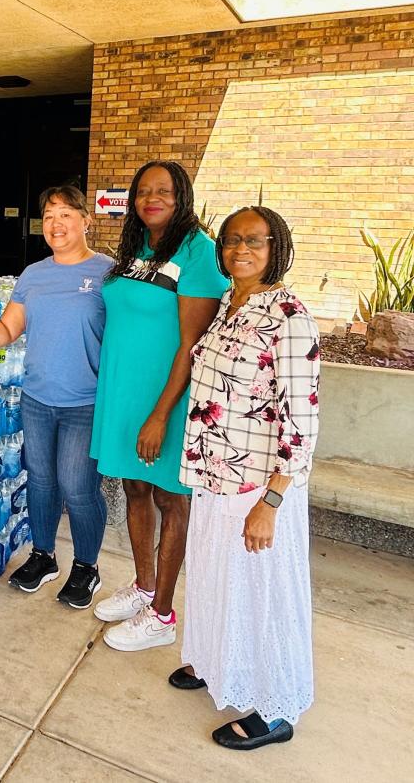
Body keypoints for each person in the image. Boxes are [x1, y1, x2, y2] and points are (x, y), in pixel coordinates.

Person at [173, 206, 319, 750]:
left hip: (257, 485)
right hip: (215, 476)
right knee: (218, 579)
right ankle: (218, 665)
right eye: (232, 240)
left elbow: (300, 418)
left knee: (264, 594)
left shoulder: (288, 315)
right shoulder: (232, 306)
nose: (240, 249)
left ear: (276, 245)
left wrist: (274, 500)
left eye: (253, 240)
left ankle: (277, 707)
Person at [0, 186, 112, 609]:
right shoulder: (33, 274)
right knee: (40, 481)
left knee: (78, 487)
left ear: (86, 220)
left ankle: (86, 568)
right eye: (49, 216)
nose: (56, 224)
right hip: (37, 399)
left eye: (66, 214)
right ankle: (43, 556)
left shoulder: (108, 274)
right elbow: (7, 329)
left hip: (85, 402)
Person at [90, 160, 228, 650]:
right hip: (125, 392)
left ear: (182, 196)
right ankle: (144, 587)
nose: (152, 198)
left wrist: (160, 414)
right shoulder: (136, 247)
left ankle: (163, 615)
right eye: (143, 191)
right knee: (134, 490)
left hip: (167, 398)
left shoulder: (198, 251)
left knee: (170, 499)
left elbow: (192, 343)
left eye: (163, 191)